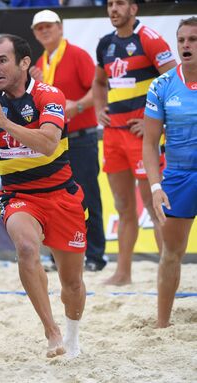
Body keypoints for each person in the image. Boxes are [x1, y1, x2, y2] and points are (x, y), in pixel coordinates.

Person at [0, 34, 87, 359]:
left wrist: (4, 123)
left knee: (72, 285)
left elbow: (48, 144)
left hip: (62, 196)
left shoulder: (48, 95)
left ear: (24, 63)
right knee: (26, 248)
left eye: (2, 60)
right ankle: (51, 331)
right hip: (19, 195)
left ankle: (72, 335)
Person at [93, 0, 176, 285]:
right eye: (110, 4)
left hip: (141, 136)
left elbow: (174, 82)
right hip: (114, 135)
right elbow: (99, 82)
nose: (113, 9)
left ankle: (167, 271)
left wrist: (157, 124)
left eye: (120, 4)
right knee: (123, 206)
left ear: (134, 9)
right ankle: (123, 273)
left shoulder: (150, 39)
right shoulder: (105, 43)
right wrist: (99, 108)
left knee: (155, 208)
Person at [30, 10, 107, 272]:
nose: (44, 31)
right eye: (39, 28)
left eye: (48, 26)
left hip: (80, 137)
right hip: (54, 143)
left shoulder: (77, 55)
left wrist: (79, 106)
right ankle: (58, 256)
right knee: (56, 200)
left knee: (89, 196)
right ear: (34, 34)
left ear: (60, 28)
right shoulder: (40, 65)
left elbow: (97, 88)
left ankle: (96, 255)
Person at [142, 17, 197, 328]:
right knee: (172, 253)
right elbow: (149, 143)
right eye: (182, 40)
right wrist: (154, 186)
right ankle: (162, 325)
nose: (186, 45)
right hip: (177, 175)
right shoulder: (162, 85)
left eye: (193, 39)